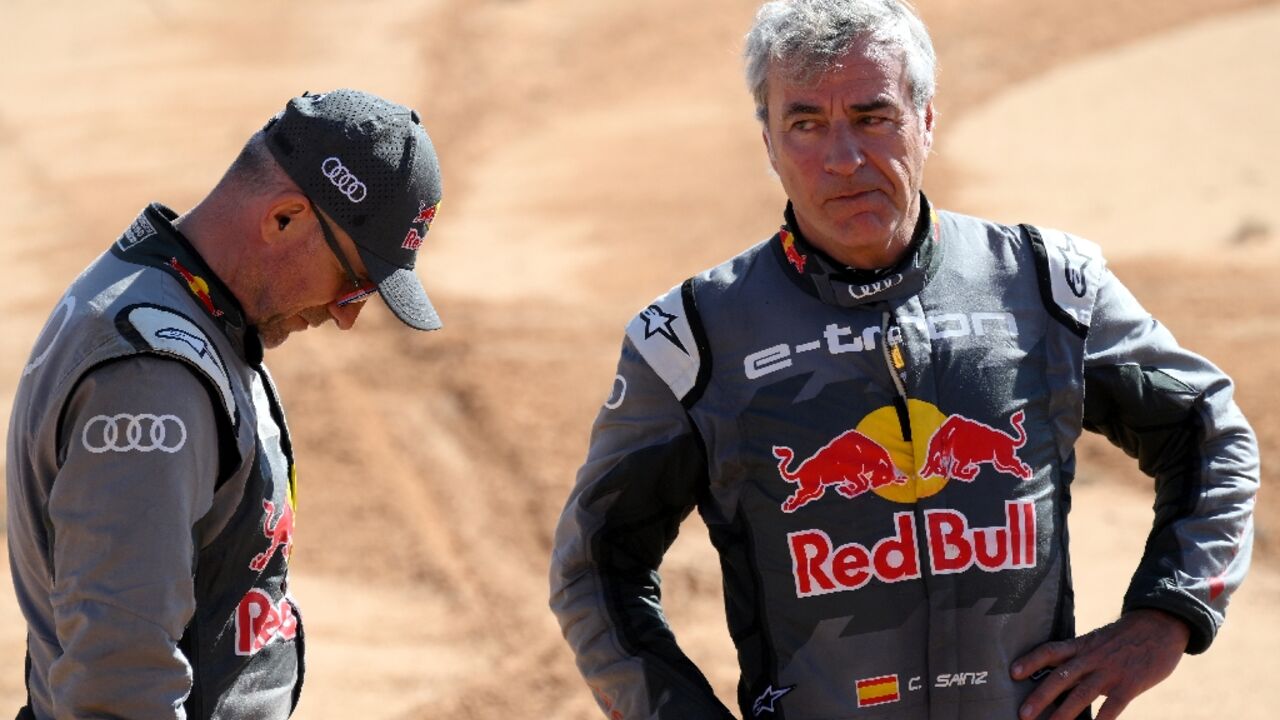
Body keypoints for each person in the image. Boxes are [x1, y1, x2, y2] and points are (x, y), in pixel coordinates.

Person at [548, 1, 1258, 718]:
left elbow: (1210, 433)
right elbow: (595, 567)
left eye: (871, 116)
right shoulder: (693, 339)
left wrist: (1168, 614)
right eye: (805, 124)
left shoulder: (1048, 289)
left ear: (925, 120)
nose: (843, 158)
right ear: (768, 142)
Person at [6, 89, 443, 719]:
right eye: (355, 283)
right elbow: (119, 682)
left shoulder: (181, 302)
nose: (348, 318)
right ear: (283, 219)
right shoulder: (151, 380)